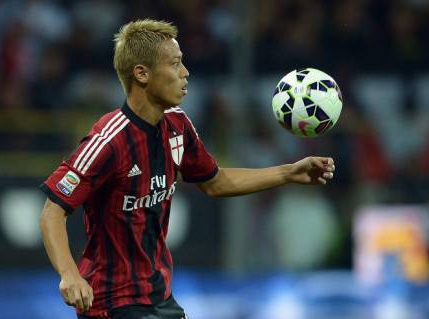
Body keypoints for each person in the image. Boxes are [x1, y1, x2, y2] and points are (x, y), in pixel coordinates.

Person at [39, 19, 335, 319]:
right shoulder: (108, 140)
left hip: (159, 296)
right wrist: (70, 274)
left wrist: (288, 173)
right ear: (142, 73)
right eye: (175, 64)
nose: (185, 73)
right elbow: (53, 210)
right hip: (110, 302)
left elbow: (215, 181)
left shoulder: (177, 126)